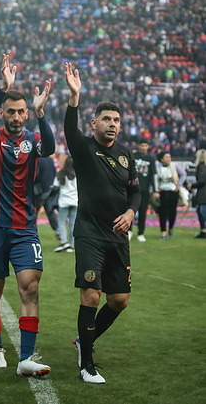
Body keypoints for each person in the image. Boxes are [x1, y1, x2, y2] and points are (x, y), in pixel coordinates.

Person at [0, 54, 55, 376]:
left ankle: (26, 358)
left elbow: (48, 148)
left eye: (22, 112)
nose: (18, 117)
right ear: (3, 114)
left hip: (25, 229)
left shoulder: (32, 139)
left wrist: (41, 113)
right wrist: (1, 89)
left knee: (30, 287)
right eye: (12, 112)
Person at [64, 63, 141, 384]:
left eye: (117, 120)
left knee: (119, 300)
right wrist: (75, 96)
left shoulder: (126, 155)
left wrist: (132, 212)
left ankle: (85, 341)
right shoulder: (83, 148)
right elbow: (70, 129)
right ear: (94, 123)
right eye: (107, 119)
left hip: (118, 239)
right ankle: (87, 365)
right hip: (89, 236)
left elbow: (136, 192)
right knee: (91, 296)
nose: (113, 124)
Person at [129, 139, 158, 242]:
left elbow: (153, 176)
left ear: (148, 147)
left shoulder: (151, 159)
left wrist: (155, 190)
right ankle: (129, 231)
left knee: (142, 212)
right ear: (138, 146)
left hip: (144, 190)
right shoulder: (133, 156)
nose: (143, 147)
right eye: (142, 145)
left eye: (145, 145)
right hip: (132, 189)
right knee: (130, 210)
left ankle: (141, 233)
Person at [155, 151, 187, 240]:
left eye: (169, 157)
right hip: (162, 192)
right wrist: (156, 189)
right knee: (162, 213)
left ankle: (171, 229)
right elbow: (154, 178)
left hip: (173, 192)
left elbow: (183, 175)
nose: (169, 159)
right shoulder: (157, 167)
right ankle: (163, 232)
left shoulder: (174, 165)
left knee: (172, 212)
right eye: (166, 157)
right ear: (161, 159)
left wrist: (179, 185)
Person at [53, 155, 78, 253]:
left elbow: (55, 186)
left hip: (63, 202)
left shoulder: (61, 173)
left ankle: (64, 242)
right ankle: (71, 245)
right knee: (72, 223)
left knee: (61, 222)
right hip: (75, 201)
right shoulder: (78, 174)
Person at [34, 155, 59, 238]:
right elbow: (55, 172)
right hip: (49, 188)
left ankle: (31, 229)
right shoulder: (50, 159)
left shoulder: (38, 159)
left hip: (40, 189)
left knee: (35, 211)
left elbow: (35, 174)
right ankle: (58, 231)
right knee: (50, 210)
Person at [188, 149, 206, 239]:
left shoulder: (202, 167)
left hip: (203, 193)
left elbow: (202, 181)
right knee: (200, 210)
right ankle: (203, 230)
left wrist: (192, 185)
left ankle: (204, 230)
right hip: (202, 192)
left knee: (202, 211)